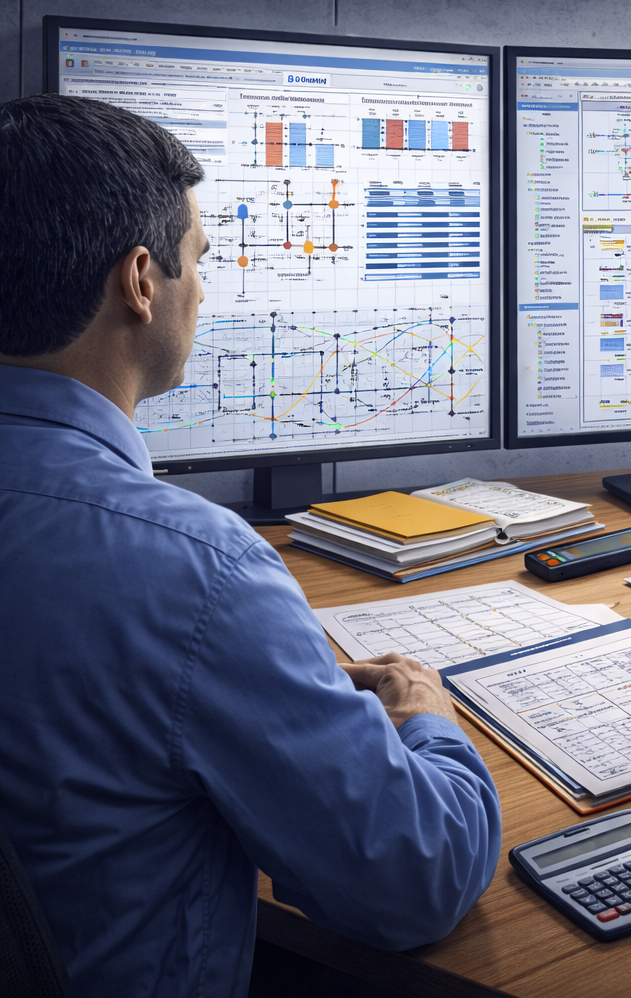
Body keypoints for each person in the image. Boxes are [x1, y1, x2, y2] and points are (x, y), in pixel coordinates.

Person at [0, 95, 502, 996]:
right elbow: (416, 883)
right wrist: (427, 715)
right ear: (141, 282)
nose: (203, 288)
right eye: (198, 260)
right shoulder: (191, 568)